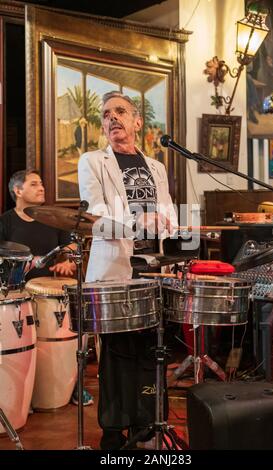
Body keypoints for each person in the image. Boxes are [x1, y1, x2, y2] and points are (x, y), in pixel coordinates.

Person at [78, 91, 177, 449]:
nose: (112, 118)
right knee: (117, 355)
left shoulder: (157, 167)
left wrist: (170, 226)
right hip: (115, 271)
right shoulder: (92, 161)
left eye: (120, 111)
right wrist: (139, 221)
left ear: (138, 122)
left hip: (153, 271)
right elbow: (95, 219)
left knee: (151, 349)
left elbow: (168, 213)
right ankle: (113, 431)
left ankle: (146, 422)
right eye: (106, 114)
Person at [0, 169, 94, 406]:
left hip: (54, 292)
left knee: (79, 334)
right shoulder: (6, 221)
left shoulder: (53, 219)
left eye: (41, 183)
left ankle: (74, 384)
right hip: (19, 292)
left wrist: (66, 261)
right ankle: (23, 392)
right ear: (18, 191)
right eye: (34, 184)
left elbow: (72, 246)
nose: (41, 188)